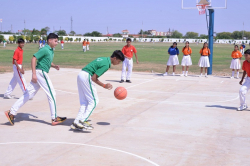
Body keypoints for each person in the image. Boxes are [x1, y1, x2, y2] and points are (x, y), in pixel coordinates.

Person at [4, 33, 67, 126]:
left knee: (28, 94)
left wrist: (54, 66)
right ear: (50, 40)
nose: (57, 43)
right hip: (40, 73)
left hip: (40, 73)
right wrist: (34, 74)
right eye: (56, 41)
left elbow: (47, 61)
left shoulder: (50, 50)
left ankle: (11, 112)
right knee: (52, 93)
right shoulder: (45, 49)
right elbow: (34, 58)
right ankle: (54, 118)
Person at [71, 50, 125, 130]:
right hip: (86, 76)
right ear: (114, 58)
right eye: (119, 61)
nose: (118, 63)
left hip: (81, 74)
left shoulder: (103, 58)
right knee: (94, 101)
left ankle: (76, 122)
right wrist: (104, 85)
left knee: (84, 102)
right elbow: (94, 78)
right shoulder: (107, 64)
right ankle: (82, 120)